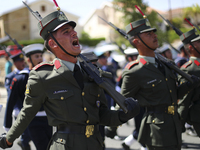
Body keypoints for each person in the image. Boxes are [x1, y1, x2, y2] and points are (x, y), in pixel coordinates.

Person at [0, 4, 140, 150]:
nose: (74, 34)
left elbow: (102, 115)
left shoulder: (91, 72)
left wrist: (122, 116)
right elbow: (27, 113)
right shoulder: (43, 76)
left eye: (73, 30)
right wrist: (8, 139)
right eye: (66, 32)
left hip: (95, 144)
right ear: (53, 43)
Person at [120, 18, 200, 150]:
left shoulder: (165, 65)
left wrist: (188, 85)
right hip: (156, 129)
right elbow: (123, 102)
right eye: (149, 34)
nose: (155, 36)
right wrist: (111, 127)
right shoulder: (134, 71)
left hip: (173, 124)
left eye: (153, 33)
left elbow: (173, 94)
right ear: (136, 41)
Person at [4, 44, 52, 150]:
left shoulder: (47, 75)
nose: (40, 59)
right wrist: (7, 126)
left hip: (48, 119)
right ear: (28, 60)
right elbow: (10, 102)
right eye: (36, 56)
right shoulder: (21, 78)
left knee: (50, 146)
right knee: (43, 147)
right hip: (32, 120)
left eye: (40, 56)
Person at [3, 52, 31, 150]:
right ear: (15, 63)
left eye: (23, 60)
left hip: (29, 109)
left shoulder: (28, 74)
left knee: (31, 132)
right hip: (19, 109)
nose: (23, 63)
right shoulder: (11, 77)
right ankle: (24, 144)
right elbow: (11, 95)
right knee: (26, 133)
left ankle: (24, 142)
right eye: (20, 61)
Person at [178, 28, 200, 138]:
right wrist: (179, 124)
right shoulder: (189, 70)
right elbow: (184, 100)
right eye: (199, 42)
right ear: (191, 47)